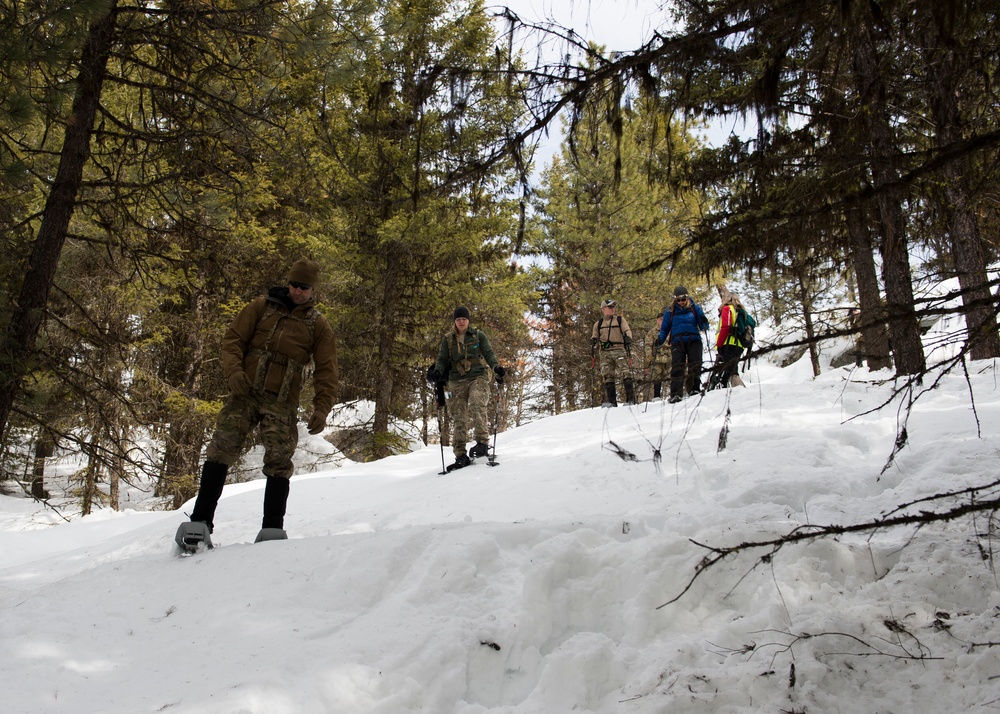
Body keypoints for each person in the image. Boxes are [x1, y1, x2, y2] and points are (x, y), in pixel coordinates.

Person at [174, 258, 339, 550]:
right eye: (294, 284)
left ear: (313, 289)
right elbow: (233, 340)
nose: (298, 291)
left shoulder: (318, 324)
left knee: (278, 462)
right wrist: (234, 372)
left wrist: (322, 407)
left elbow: (327, 370)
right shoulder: (261, 307)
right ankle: (200, 521)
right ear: (288, 283)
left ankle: (272, 528)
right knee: (220, 450)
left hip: (281, 402)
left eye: (305, 287)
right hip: (245, 393)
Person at [428, 306, 505, 470]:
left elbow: (489, 353)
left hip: (478, 376)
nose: (461, 322)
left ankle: (482, 443)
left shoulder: (478, 336)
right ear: (455, 322)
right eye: (458, 319)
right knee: (458, 416)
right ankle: (460, 454)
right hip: (456, 380)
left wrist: (496, 367)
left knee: (477, 402)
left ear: (468, 320)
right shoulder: (448, 339)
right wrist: (437, 372)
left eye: (463, 319)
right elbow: (442, 359)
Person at [655, 286, 710, 403]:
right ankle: (676, 393)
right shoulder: (670, 311)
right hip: (677, 341)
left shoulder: (695, 308)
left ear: (687, 297)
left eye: (683, 299)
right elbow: (665, 328)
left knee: (695, 364)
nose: (681, 302)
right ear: (675, 300)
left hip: (694, 339)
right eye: (678, 300)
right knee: (677, 366)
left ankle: (694, 389)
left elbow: (703, 326)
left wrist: (704, 321)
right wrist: (660, 339)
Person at [591, 298, 635, 407]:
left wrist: (628, 337)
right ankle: (612, 402)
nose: (612, 309)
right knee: (607, 375)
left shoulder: (620, 320)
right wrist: (593, 341)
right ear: (603, 309)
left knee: (626, 372)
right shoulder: (598, 324)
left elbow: (627, 330)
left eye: (613, 307)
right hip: (605, 352)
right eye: (610, 307)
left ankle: (630, 399)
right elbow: (594, 336)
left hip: (619, 349)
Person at [712, 292, 750, 389]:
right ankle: (729, 387)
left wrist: (719, 344)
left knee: (731, 370)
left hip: (729, 343)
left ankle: (738, 390)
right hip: (740, 345)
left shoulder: (727, 308)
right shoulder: (741, 311)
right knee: (731, 368)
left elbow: (725, 327)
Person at [645, 315, 671, 400]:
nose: (662, 321)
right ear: (657, 320)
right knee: (657, 377)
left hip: (669, 357)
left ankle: (675, 393)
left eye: (664, 319)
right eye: (660, 319)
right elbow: (648, 345)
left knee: (674, 374)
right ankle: (656, 396)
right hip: (657, 358)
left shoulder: (671, 330)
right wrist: (649, 357)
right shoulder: (652, 332)